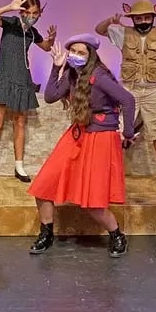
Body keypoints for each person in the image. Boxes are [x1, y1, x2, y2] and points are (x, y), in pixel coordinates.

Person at [28, 34, 137, 257]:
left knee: (92, 201)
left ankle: (117, 235)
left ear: (91, 56)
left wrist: (127, 133)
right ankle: (46, 233)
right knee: (43, 185)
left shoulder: (98, 76)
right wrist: (56, 68)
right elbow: (49, 97)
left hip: (100, 137)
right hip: (78, 133)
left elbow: (127, 99)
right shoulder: (70, 75)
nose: (76, 56)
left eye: (81, 53)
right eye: (73, 51)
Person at [95, 0, 156, 186]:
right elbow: (99, 30)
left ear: (152, 17)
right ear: (133, 19)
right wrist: (111, 20)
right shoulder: (123, 33)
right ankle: (108, 171)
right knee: (117, 130)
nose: (143, 22)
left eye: (146, 17)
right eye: (138, 18)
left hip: (151, 91)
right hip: (128, 90)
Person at [0, 0, 56, 183]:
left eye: (35, 13)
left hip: (23, 78)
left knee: (20, 122)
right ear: (22, 12)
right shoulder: (11, 23)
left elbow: (46, 47)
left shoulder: (32, 32)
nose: (32, 16)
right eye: (28, 12)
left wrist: (52, 39)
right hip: (5, 75)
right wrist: (9, 7)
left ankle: (19, 166)